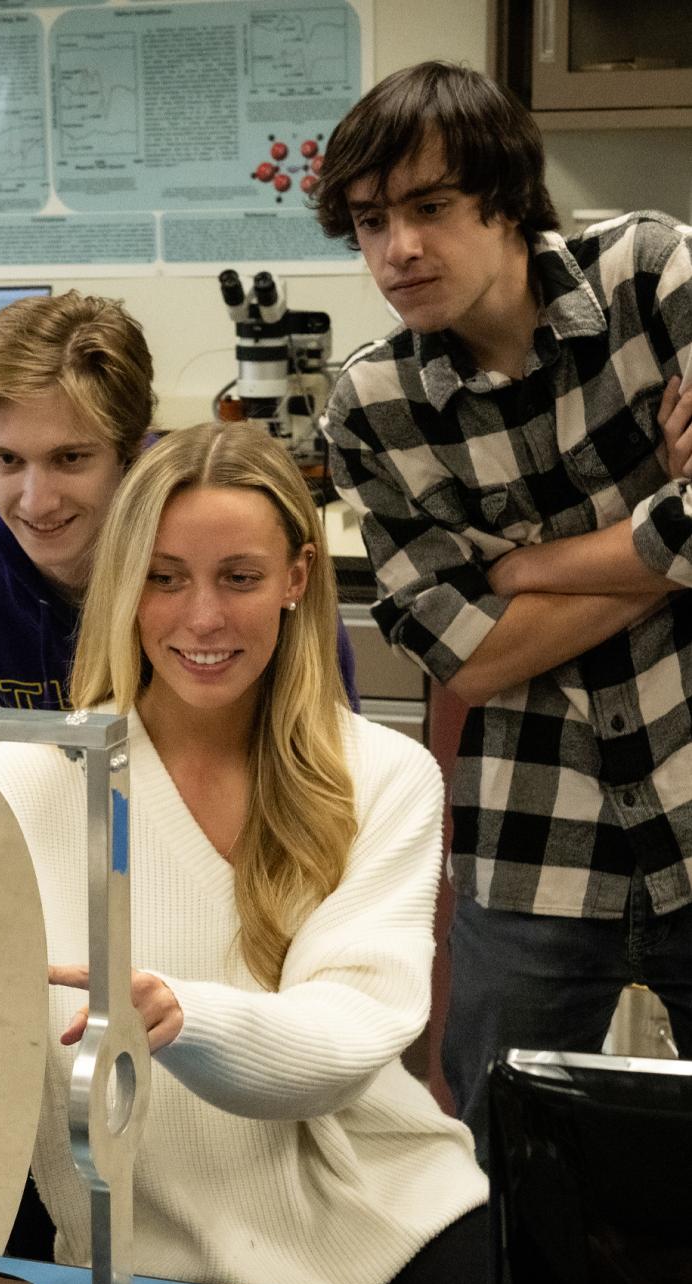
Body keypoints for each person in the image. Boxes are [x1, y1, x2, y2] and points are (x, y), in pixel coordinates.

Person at [0, 421, 488, 1284]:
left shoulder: (381, 777)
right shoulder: (21, 783)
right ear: (122, 584)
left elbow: (348, 1037)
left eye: (239, 578)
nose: (202, 617)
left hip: (385, 1228)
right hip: (137, 1261)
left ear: (297, 579)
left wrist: (183, 1015)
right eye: (164, 578)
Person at [315, 60, 692, 1165]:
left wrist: (526, 568)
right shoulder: (373, 408)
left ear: (509, 199)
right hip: (534, 844)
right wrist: (667, 528)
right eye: (373, 222)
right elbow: (464, 659)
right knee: (504, 1174)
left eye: (430, 208)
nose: (399, 251)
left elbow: (489, 612)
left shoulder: (654, 275)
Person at [0, 290, 358, 709]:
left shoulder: (235, 540)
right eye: (6, 460)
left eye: (70, 458)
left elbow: (332, 749)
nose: (37, 502)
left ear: (131, 446)